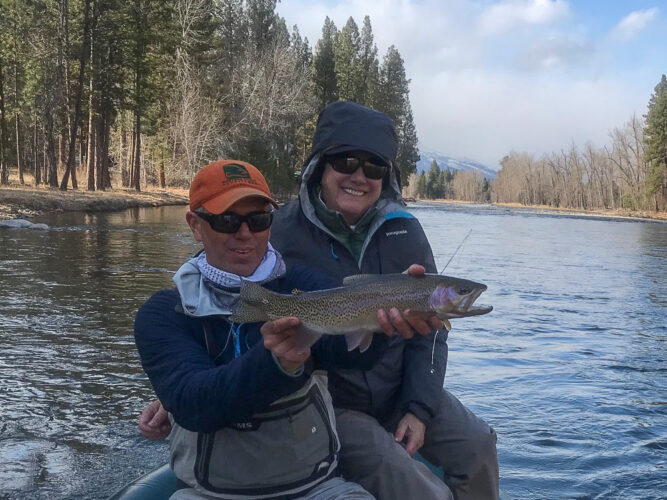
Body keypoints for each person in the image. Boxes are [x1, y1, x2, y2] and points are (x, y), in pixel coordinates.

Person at [141, 102, 499, 500]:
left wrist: (419, 405)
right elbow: (215, 287)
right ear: (320, 167)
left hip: (394, 385)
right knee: (412, 481)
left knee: (480, 443)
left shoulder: (406, 233)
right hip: (333, 400)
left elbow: (422, 340)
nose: (359, 176)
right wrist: (171, 392)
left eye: (374, 167)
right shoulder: (278, 233)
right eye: (346, 162)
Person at [134, 159, 399, 499]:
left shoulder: (303, 286)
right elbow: (193, 404)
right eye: (227, 220)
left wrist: (381, 325)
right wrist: (275, 364)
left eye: (258, 220)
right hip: (209, 494)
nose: (244, 233)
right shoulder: (164, 313)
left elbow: (352, 356)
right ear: (196, 225)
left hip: (317, 487)